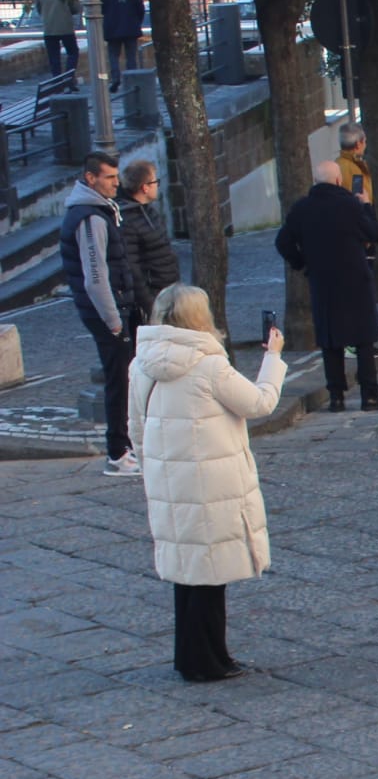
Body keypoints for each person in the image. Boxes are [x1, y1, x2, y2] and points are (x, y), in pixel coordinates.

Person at [129, 285, 287, 682]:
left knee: (188, 573)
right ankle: (209, 661)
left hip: (171, 482)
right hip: (212, 483)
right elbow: (260, 403)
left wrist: (154, 472)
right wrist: (272, 357)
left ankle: (190, 656)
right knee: (210, 576)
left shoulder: (141, 364)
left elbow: (136, 428)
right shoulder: (208, 365)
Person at [276, 161, 378, 413]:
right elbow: (373, 233)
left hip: (323, 281)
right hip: (355, 279)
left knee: (330, 339)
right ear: (339, 180)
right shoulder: (350, 205)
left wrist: (302, 262)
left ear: (315, 181)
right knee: (363, 337)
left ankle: (336, 397)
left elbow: (282, 242)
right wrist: (366, 205)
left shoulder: (302, 209)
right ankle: (370, 395)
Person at [61, 152, 139, 475]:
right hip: (108, 312)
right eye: (109, 177)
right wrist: (114, 322)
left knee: (126, 378)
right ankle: (118, 453)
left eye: (116, 176)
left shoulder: (101, 210)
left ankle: (127, 446)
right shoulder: (91, 218)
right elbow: (95, 278)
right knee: (118, 381)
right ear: (90, 178)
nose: (116, 183)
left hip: (116, 306)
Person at [117, 160, 180, 330]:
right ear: (145, 187)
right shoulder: (127, 221)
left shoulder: (149, 211)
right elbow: (133, 268)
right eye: (155, 182)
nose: (157, 186)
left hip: (168, 291)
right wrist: (150, 305)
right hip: (154, 298)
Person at [102, 0, 146, 94]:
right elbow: (140, 9)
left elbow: (102, 10)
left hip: (112, 29)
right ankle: (131, 79)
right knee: (131, 56)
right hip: (130, 27)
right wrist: (137, 22)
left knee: (113, 56)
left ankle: (115, 79)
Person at [36, 0, 79, 78]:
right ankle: (69, 77)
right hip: (66, 27)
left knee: (54, 57)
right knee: (73, 52)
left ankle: (57, 80)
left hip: (49, 28)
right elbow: (75, 8)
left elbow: (39, 8)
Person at [334, 123, 373, 204]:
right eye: (364, 142)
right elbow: (359, 200)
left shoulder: (336, 164)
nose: (365, 145)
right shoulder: (354, 169)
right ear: (358, 144)